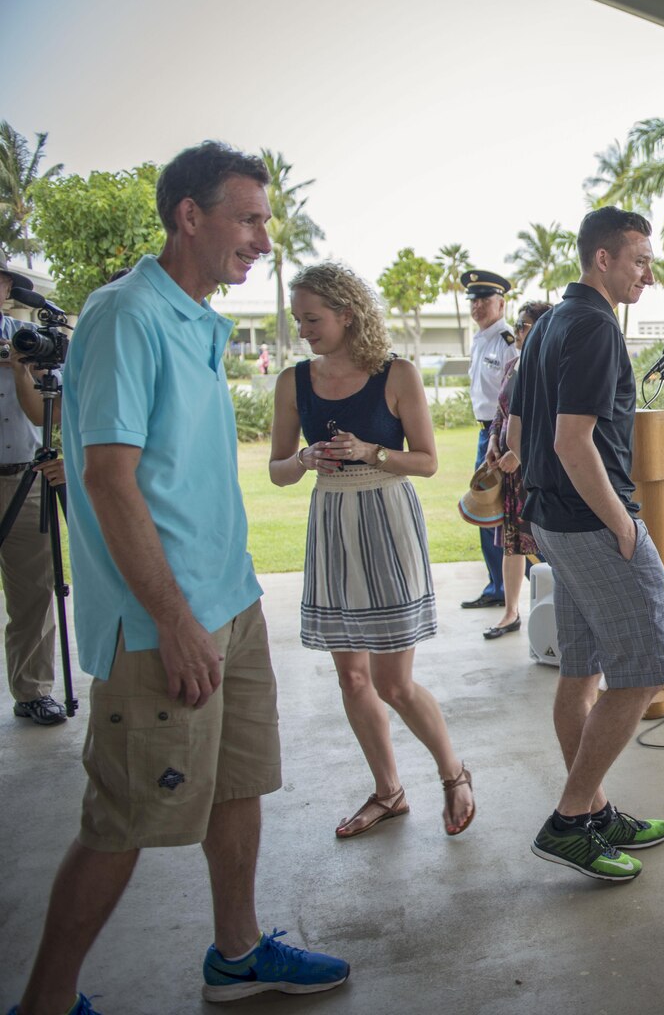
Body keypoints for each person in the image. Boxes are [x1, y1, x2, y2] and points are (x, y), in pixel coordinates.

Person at [8, 142, 348, 1015]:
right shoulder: (127, 315)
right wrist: (175, 619)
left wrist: (225, 603)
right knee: (122, 819)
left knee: (238, 787)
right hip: (161, 624)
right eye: (248, 219)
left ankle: (236, 955)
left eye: (265, 220)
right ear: (188, 217)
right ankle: (46, 1002)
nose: (264, 241)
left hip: (226, 603)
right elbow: (107, 481)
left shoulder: (195, 318)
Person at [268, 261, 474, 839]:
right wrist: (305, 460)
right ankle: (389, 792)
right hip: (331, 519)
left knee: (393, 683)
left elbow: (429, 462)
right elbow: (279, 471)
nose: (303, 329)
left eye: (313, 318)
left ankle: (453, 773)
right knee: (352, 679)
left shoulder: (397, 373)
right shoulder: (292, 381)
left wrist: (369, 451)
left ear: (347, 314)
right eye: (298, 319)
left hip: (387, 517)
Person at [510, 206, 664, 883]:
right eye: (638, 259)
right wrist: (624, 526)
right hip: (589, 521)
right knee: (645, 668)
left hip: (552, 518)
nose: (647, 272)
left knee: (580, 671)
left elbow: (516, 436)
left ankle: (595, 808)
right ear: (602, 259)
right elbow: (570, 441)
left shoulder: (549, 320)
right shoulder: (596, 326)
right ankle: (571, 818)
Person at [0, 264, 66, 726]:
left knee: (34, 593)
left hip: (22, 476)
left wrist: (22, 365)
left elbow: (52, 411)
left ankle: (33, 690)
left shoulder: (29, 336)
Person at [483, 299, 550, 640]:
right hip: (509, 469)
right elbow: (500, 411)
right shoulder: (513, 365)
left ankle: (559, 615)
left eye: (524, 325)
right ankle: (510, 612)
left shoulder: (551, 366)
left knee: (548, 543)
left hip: (537, 470)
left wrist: (520, 455)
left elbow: (551, 423)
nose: (518, 330)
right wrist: (494, 442)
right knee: (511, 544)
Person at [461, 268, 519, 611]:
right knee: (485, 512)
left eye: (485, 300)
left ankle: (510, 586)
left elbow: (511, 397)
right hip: (486, 433)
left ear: (501, 303)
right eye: (474, 301)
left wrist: (505, 443)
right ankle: (497, 586)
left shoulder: (506, 342)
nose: (477, 307)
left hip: (502, 436)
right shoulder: (480, 340)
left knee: (504, 515)